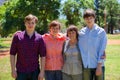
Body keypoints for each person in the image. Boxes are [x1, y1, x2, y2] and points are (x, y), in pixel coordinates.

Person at [10, 14, 46, 80]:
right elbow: (12, 54)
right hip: (21, 71)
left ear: (35, 24)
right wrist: (13, 69)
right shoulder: (17, 36)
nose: (30, 25)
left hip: (34, 71)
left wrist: (42, 72)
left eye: (33, 23)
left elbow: (43, 56)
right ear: (25, 23)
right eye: (28, 23)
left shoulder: (40, 38)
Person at [78, 9, 107, 80]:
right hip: (86, 66)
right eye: (87, 18)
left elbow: (102, 49)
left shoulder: (101, 32)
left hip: (98, 65)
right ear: (84, 19)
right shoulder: (81, 32)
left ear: (94, 18)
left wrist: (99, 65)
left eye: (91, 18)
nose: (89, 20)